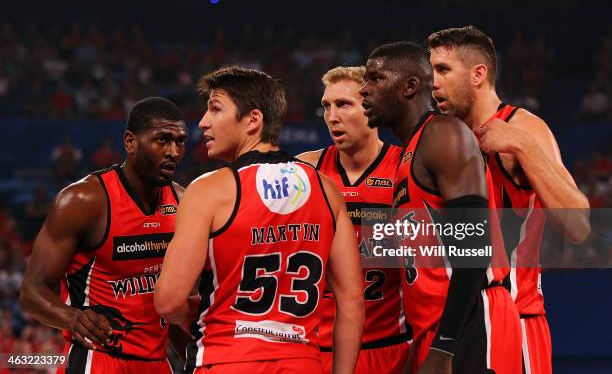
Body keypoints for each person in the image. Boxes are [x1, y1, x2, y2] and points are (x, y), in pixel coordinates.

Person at [155, 67, 364, 374]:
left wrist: (203, 314)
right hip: (302, 363)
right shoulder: (326, 188)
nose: (203, 122)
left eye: (215, 109)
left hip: (226, 358)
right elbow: (351, 301)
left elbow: (168, 301)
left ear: (253, 120)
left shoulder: (208, 190)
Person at [427, 25, 591, 374]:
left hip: (515, 319)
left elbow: (579, 224)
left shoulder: (523, 127)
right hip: (458, 322)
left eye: (443, 70)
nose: (433, 82)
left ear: (478, 74)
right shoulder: (444, 138)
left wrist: (522, 145)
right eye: (431, 71)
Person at [360, 41, 521, 374]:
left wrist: (444, 346)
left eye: (375, 78)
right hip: (434, 328)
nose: (364, 89)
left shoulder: (443, 135)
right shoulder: (409, 153)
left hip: (470, 320)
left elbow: (475, 248)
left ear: (409, 86)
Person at [20, 97, 188, 373]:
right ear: (130, 142)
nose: (173, 151)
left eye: (180, 141)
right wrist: (71, 317)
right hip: (97, 360)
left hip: (158, 362)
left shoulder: (182, 202)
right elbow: (31, 290)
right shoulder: (83, 201)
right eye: (162, 140)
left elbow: (176, 308)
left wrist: (194, 361)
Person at [297, 66, 409, 373]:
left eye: (343, 104)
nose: (332, 116)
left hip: (392, 347)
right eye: (326, 106)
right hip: (316, 349)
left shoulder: (406, 167)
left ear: (371, 106)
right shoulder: (305, 171)